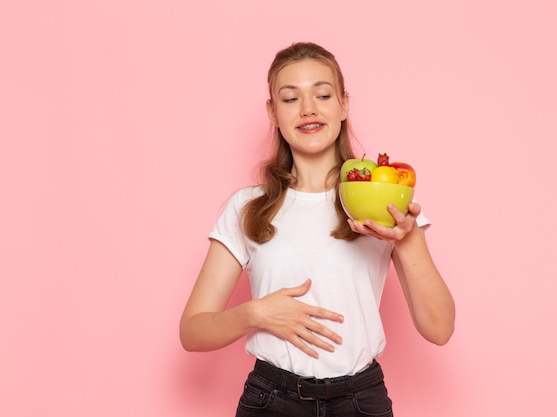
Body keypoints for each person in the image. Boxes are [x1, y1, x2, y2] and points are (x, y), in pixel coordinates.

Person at [179, 41, 455, 417]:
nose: (308, 109)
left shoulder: (385, 198)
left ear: (344, 104)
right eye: (290, 98)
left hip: (361, 401)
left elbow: (439, 330)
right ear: (272, 112)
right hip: (270, 400)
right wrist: (255, 314)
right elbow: (192, 332)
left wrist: (408, 239)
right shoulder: (247, 207)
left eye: (322, 95)